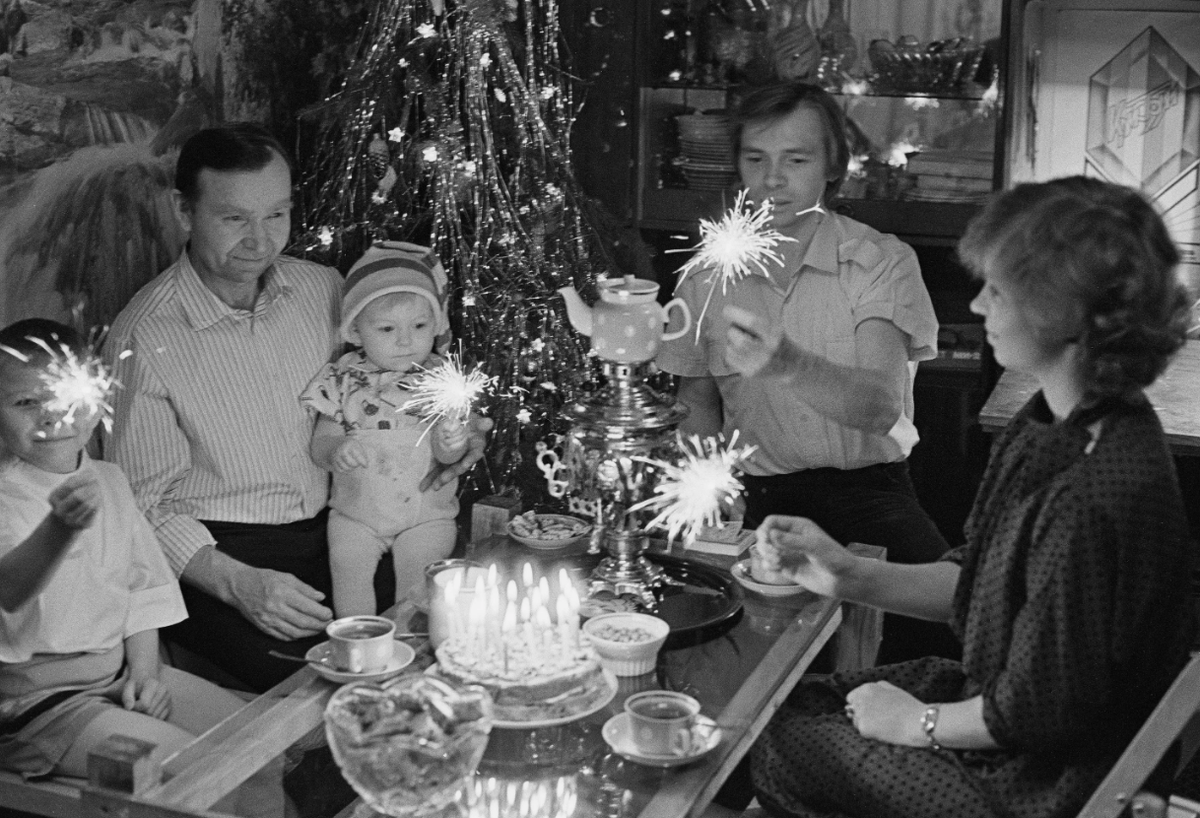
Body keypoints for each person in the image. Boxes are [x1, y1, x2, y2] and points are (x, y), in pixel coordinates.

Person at [717, 176, 1196, 818]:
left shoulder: (1091, 491)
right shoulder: (1061, 419)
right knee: (784, 706)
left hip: (1045, 777)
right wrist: (849, 574)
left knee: (777, 744)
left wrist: (917, 724)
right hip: (1010, 721)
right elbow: (982, 577)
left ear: (1061, 312)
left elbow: (1036, 711)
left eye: (997, 289)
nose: (977, 304)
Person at [104, 123, 490, 693]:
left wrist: (457, 435)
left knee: (445, 633)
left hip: (346, 522)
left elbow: (394, 376)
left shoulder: (323, 290)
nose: (260, 240)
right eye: (235, 218)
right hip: (229, 555)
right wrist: (237, 583)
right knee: (329, 681)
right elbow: (138, 506)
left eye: (277, 214)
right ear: (184, 212)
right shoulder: (146, 337)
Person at [656, 81, 953, 663]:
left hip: (870, 497)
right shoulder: (707, 276)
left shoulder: (879, 260)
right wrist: (706, 490)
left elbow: (879, 406)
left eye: (796, 160)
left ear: (832, 167)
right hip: (757, 502)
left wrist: (786, 365)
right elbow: (697, 402)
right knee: (727, 653)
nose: (773, 180)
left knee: (943, 636)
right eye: (756, 159)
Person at [0, 319, 282, 815]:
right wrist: (58, 530)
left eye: (67, 396)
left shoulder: (110, 481)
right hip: (38, 706)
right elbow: (8, 591)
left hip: (121, 670)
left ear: (97, 400)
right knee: (202, 775)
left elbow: (143, 587)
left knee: (262, 751)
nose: (52, 416)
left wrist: (147, 674)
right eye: (25, 402)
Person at [301, 242, 467, 617]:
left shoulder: (440, 379)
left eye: (420, 326)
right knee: (347, 561)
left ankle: (407, 638)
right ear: (356, 331)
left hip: (426, 515)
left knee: (417, 580)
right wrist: (335, 449)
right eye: (387, 328)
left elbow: (450, 458)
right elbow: (320, 443)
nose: (405, 340)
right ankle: (358, 634)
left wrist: (451, 442)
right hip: (357, 514)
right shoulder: (342, 378)